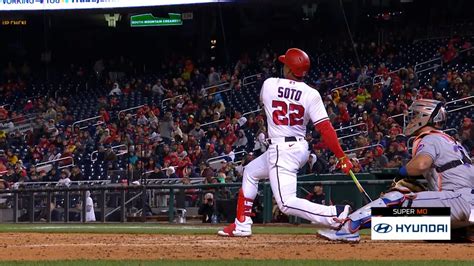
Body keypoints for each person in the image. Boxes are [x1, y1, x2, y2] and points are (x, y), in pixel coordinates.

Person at [218, 48, 353, 237]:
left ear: (290, 69)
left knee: (285, 203)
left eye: (285, 64)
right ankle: (242, 224)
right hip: (299, 148)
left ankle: (333, 214)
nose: (282, 67)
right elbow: (325, 129)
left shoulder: (270, 84)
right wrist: (341, 156)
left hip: (282, 149)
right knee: (250, 172)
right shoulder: (311, 93)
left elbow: (266, 104)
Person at [318, 99, 474, 242]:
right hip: (466, 204)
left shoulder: (430, 138)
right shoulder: (451, 141)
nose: (412, 119)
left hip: (459, 200)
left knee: (396, 197)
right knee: (420, 229)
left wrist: (401, 173)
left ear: (425, 117)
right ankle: (462, 233)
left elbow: (421, 164)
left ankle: (348, 227)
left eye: (415, 115)